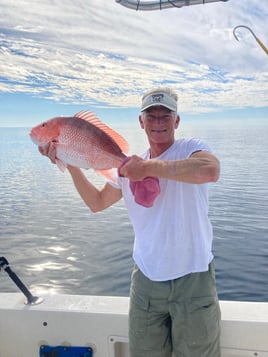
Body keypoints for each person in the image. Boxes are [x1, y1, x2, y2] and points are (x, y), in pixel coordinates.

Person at [39, 87, 221, 357]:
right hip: (147, 281)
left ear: (177, 121)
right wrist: (70, 163)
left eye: (165, 116)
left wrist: (148, 168)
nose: (158, 122)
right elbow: (97, 203)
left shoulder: (191, 148)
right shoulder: (127, 167)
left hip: (193, 278)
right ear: (141, 122)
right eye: (151, 116)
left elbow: (210, 170)